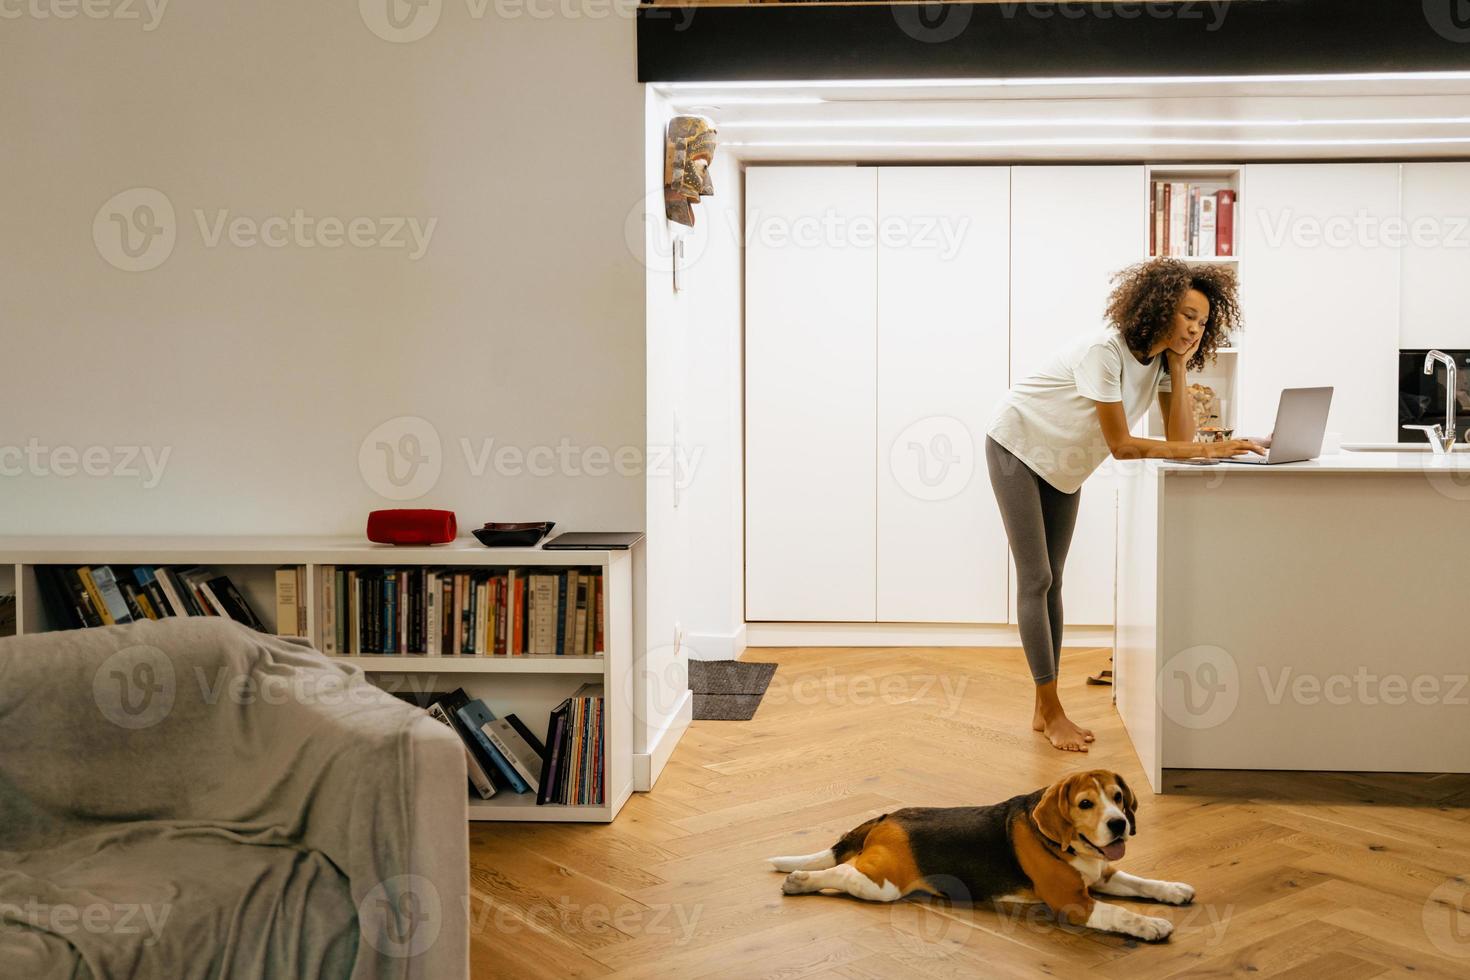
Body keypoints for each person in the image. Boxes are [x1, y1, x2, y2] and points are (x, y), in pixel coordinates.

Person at [985, 259, 1263, 752]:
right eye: (1186, 315)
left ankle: (1040, 704)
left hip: (1064, 467)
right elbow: (1123, 446)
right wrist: (1212, 448)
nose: (1194, 328)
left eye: (1201, 321)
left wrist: (1178, 365)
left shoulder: (1158, 361)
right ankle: (1051, 711)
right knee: (1037, 579)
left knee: (1055, 580)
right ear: (1157, 309)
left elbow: (1179, 437)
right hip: (1018, 448)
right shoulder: (1105, 351)